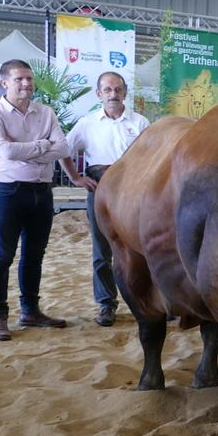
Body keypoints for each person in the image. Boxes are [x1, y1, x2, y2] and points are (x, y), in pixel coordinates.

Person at [0, 59, 71, 340]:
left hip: (42, 192)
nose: (26, 84)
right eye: (19, 79)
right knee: (2, 255)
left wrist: (27, 149)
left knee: (34, 255)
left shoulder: (46, 112)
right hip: (8, 192)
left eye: (29, 79)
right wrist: (44, 145)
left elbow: (63, 148)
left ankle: (30, 311)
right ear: (4, 83)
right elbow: (4, 152)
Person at [57, 72, 151, 327]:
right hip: (99, 194)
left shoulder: (141, 122)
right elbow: (63, 150)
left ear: (125, 93)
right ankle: (106, 304)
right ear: (98, 93)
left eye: (118, 90)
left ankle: (148, 302)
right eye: (107, 90)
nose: (113, 94)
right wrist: (76, 178)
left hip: (134, 196)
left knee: (141, 249)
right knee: (102, 252)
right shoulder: (87, 123)